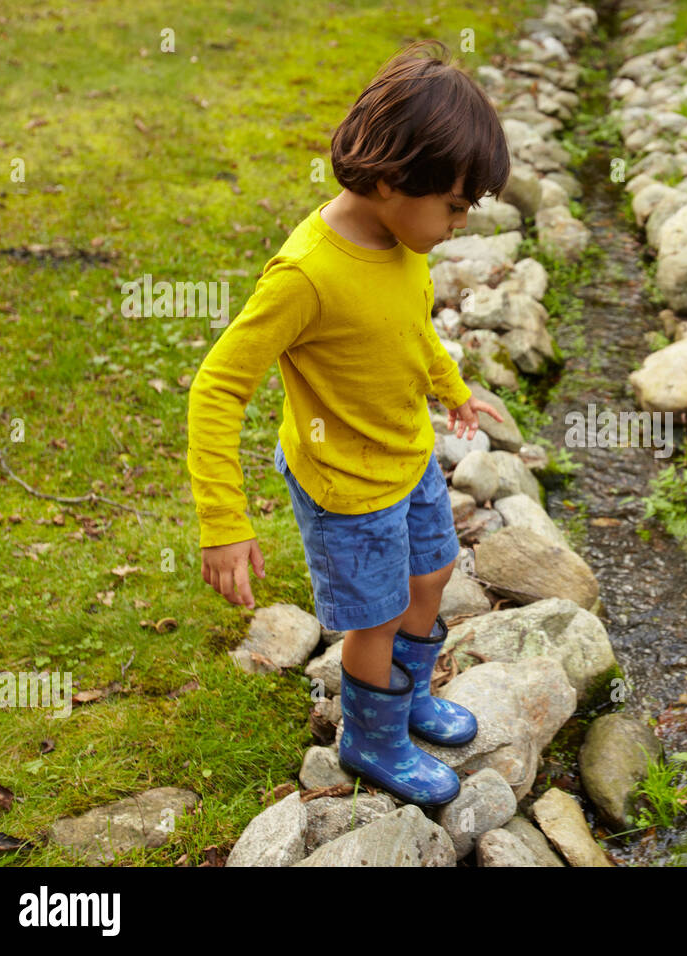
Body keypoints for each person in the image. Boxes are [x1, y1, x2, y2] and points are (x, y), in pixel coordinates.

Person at [186, 40, 510, 806]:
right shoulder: (307, 277)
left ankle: (408, 692)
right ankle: (372, 737)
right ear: (395, 178)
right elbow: (217, 388)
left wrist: (451, 386)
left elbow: (411, 328)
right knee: (379, 612)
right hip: (344, 484)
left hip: (407, 456)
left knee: (431, 574)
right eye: (456, 205)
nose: (459, 223)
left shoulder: (403, 240)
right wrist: (223, 522)